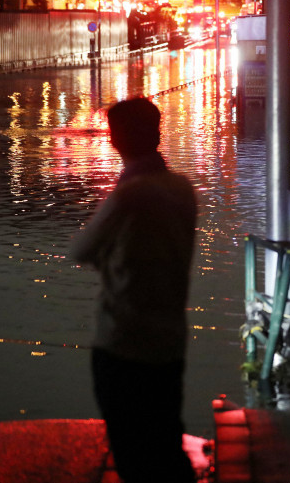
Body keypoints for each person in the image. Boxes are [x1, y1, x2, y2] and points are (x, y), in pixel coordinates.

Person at [71, 97, 198, 483]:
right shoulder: (183, 189)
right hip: (170, 339)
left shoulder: (128, 195)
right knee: (165, 442)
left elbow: (81, 250)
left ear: (117, 138)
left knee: (131, 451)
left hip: (123, 343)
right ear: (157, 134)